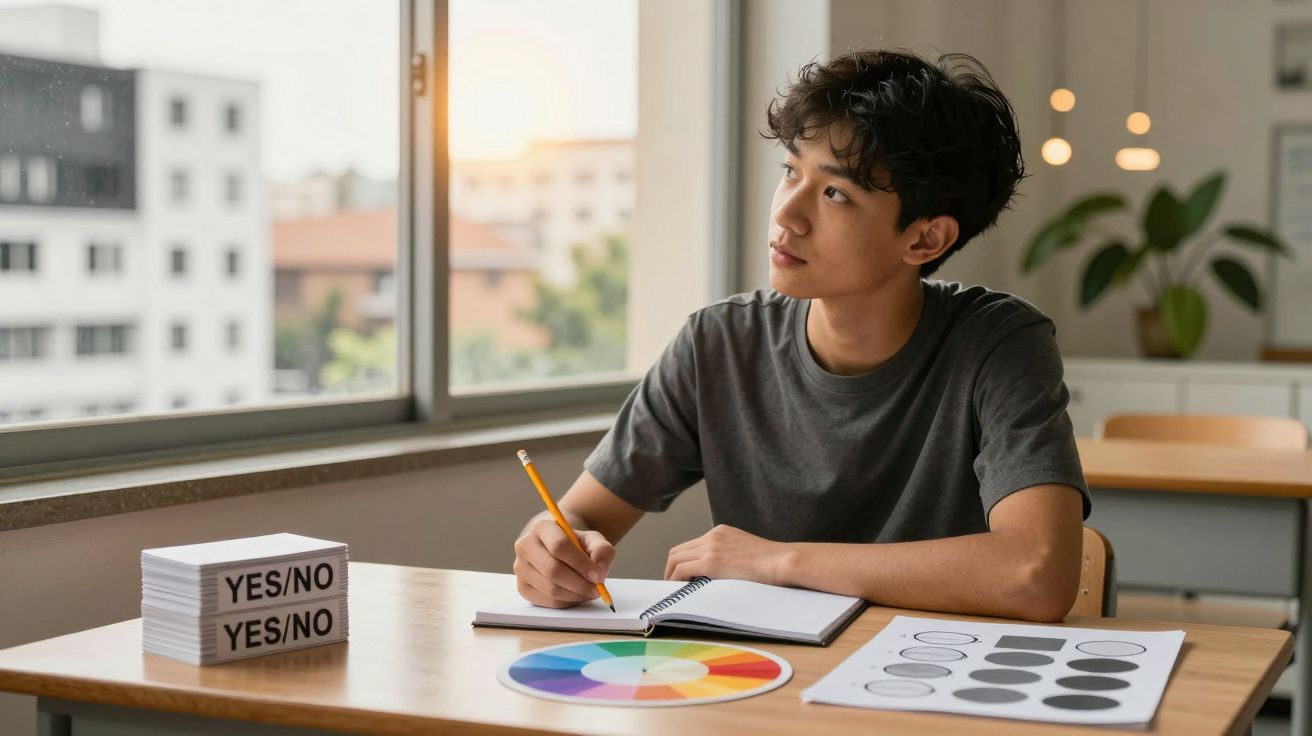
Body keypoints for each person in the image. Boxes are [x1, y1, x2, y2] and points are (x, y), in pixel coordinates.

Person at [512, 49, 1090, 623]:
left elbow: (1036, 574)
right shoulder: (718, 344)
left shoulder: (1000, 343)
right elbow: (579, 519)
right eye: (791, 171)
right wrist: (552, 550)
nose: (788, 212)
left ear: (924, 241)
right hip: (759, 687)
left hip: (926, 682)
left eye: (835, 193)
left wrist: (777, 561)